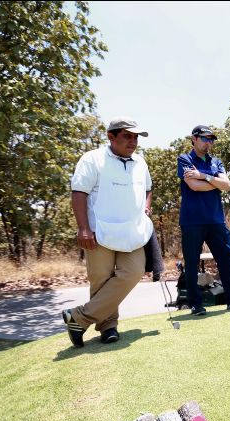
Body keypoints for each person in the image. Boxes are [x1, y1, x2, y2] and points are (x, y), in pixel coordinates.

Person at [63, 117, 154, 347]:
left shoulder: (140, 162)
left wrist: (146, 205)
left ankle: (78, 317)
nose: (133, 141)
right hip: (99, 232)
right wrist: (83, 228)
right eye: (127, 136)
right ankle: (108, 326)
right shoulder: (92, 159)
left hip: (132, 232)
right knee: (101, 281)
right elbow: (79, 193)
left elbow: (148, 188)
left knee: (133, 272)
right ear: (110, 137)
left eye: (135, 137)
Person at [177, 125, 230, 315]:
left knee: (227, 259)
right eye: (205, 139)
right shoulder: (185, 159)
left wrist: (204, 175)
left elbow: (227, 185)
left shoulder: (216, 162)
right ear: (194, 139)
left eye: (211, 139)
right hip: (192, 221)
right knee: (192, 263)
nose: (209, 143)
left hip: (215, 220)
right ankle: (196, 305)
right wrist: (215, 182)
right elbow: (194, 186)